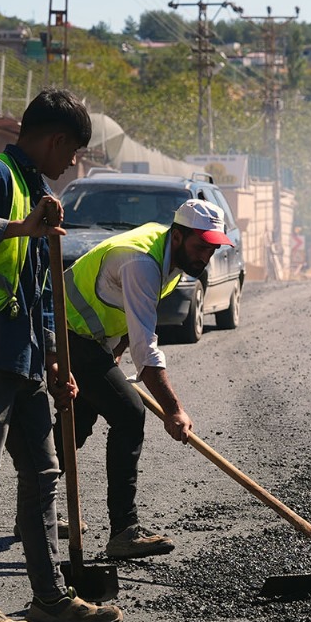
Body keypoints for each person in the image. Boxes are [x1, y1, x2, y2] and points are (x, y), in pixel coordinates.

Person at [0, 88, 123, 622]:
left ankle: (49, 600)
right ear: (56, 140)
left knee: (42, 476)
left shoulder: (37, 192)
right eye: (75, 153)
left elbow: (37, 292)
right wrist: (20, 228)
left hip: (26, 362)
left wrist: (56, 361)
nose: (74, 165)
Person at [61, 198, 235, 560]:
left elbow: (130, 318)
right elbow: (147, 350)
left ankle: (33, 510)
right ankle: (124, 532)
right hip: (62, 333)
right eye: (200, 246)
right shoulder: (143, 262)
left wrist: (117, 348)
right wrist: (174, 410)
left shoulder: (168, 256)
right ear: (178, 236)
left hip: (89, 339)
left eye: (213, 248)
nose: (206, 256)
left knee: (78, 420)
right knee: (128, 413)